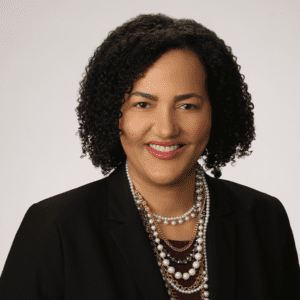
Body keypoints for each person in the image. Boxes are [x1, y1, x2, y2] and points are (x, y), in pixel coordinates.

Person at [0, 13, 299, 300]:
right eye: (143, 105)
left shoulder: (263, 220)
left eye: (188, 106)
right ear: (112, 114)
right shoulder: (55, 227)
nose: (167, 129)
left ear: (215, 111)